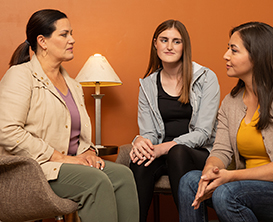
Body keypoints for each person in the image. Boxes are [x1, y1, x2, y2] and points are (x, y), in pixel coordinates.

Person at [0, 9, 139, 222]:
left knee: (123, 175)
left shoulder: (73, 85)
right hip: (34, 170)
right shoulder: (20, 76)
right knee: (96, 181)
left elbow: (78, 136)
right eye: (64, 34)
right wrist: (62, 158)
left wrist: (90, 151)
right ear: (42, 41)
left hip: (68, 164)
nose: (72, 39)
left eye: (71, 34)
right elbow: (6, 131)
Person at [178, 21, 273, 222]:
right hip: (246, 185)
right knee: (190, 181)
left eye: (233, 50)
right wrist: (210, 171)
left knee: (227, 193)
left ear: (258, 56)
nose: (226, 55)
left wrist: (231, 176)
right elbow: (221, 151)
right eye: (228, 49)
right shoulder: (231, 101)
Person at [129, 19, 220, 221]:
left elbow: (204, 133)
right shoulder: (147, 85)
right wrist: (141, 141)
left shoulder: (206, 78)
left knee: (177, 152)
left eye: (176, 41)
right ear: (155, 44)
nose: (169, 46)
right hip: (161, 151)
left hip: (198, 152)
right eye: (164, 40)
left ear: (184, 46)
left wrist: (165, 147)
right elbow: (149, 133)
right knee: (139, 160)